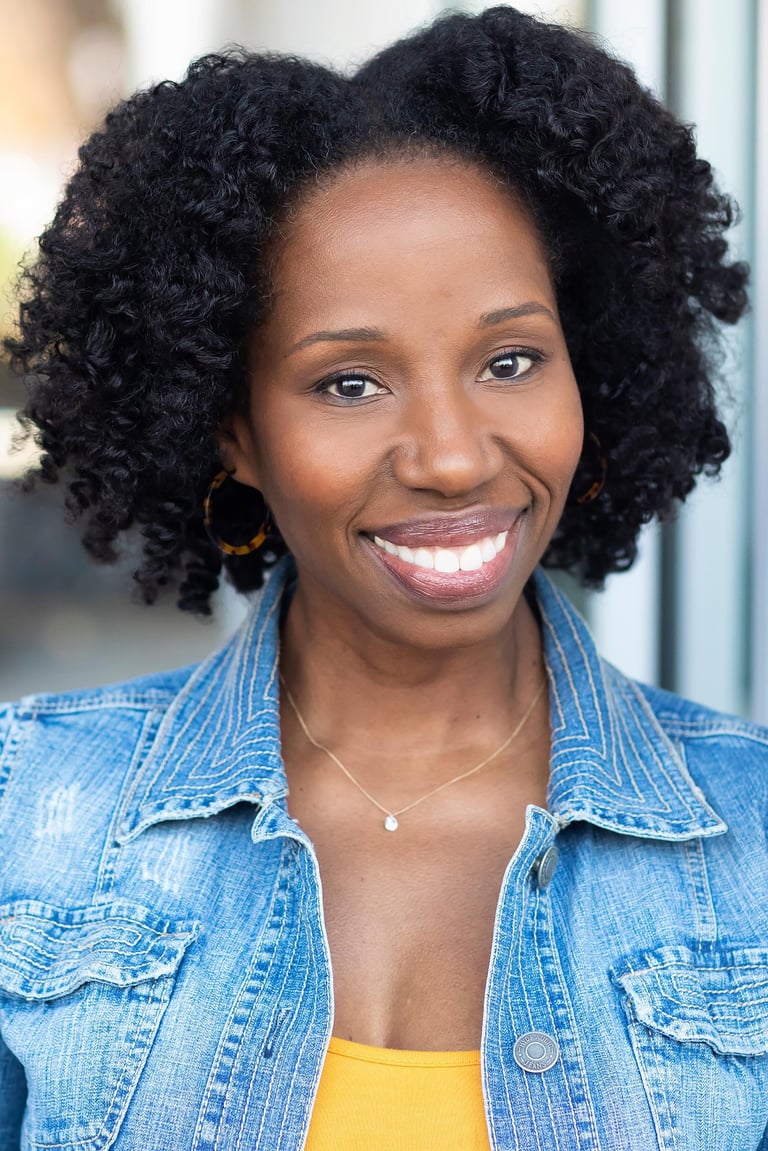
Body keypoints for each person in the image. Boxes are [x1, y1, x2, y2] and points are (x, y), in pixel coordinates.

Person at [1, 6, 766, 1149]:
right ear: (235, 431)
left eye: (511, 360)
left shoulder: (751, 843)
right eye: (350, 383)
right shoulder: (25, 814)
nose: (453, 456)